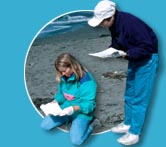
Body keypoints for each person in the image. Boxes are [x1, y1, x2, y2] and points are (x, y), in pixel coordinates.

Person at [88, 0, 159, 145]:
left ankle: (134, 133)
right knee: (129, 93)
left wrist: (125, 54)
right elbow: (117, 41)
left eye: (102, 22)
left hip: (147, 60)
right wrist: (111, 50)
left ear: (110, 17)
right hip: (135, 59)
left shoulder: (130, 24)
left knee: (139, 98)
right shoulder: (114, 24)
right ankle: (127, 123)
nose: (101, 25)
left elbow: (148, 47)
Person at [40, 53, 100, 145]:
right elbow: (61, 94)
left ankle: (92, 124)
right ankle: (71, 121)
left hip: (81, 112)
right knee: (44, 126)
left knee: (76, 141)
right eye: (60, 72)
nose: (62, 74)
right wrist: (55, 101)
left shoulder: (87, 81)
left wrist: (73, 109)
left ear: (72, 65)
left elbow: (89, 105)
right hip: (66, 108)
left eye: (64, 71)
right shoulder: (63, 76)